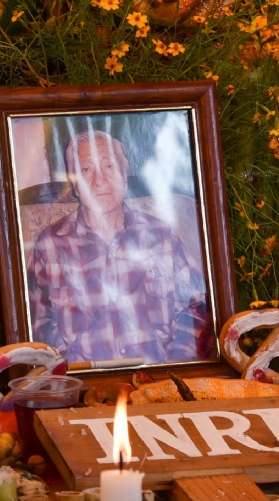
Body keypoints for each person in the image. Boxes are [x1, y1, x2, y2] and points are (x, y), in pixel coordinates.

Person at [25, 129, 213, 364]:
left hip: (160, 379)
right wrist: (73, 372)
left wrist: (175, 366)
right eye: (86, 169)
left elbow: (196, 307)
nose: (99, 180)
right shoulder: (49, 244)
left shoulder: (162, 237)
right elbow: (37, 322)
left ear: (124, 176)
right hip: (83, 386)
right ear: (74, 185)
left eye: (109, 166)